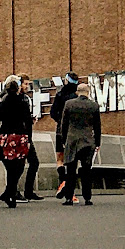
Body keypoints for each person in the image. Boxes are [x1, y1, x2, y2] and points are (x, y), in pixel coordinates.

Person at [0, 77, 33, 208]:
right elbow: (28, 122)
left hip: (5, 137)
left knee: (9, 166)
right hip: (19, 137)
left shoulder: (2, 104)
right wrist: (28, 138)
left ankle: (9, 194)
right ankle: (10, 192)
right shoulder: (22, 103)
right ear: (17, 90)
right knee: (19, 165)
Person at [60, 83, 101, 206]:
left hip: (72, 140)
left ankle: (69, 198)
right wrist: (97, 142)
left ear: (77, 92)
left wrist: (64, 140)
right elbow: (97, 126)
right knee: (86, 170)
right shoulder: (94, 106)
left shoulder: (69, 104)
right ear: (88, 92)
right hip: (88, 141)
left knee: (70, 171)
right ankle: (87, 198)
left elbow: (64, 124)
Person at [50, 72, 79, 200]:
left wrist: (60, 121)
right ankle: (70, 191)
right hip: (74, 131)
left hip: (60, 130)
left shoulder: (60, 94)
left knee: (60, 158)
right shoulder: (77, 96)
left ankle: (63, 182)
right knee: (72, 161)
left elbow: (52, 112)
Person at [17, 74, 43, 201]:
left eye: (28, 84)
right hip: (20, 136)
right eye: (25, 84)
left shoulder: (26, 98)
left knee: (34, 162)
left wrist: (30, 119)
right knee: (18, 165)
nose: (27, 86)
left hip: (27, 135)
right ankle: (15, 191)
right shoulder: (17, 99)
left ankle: (28, 191)